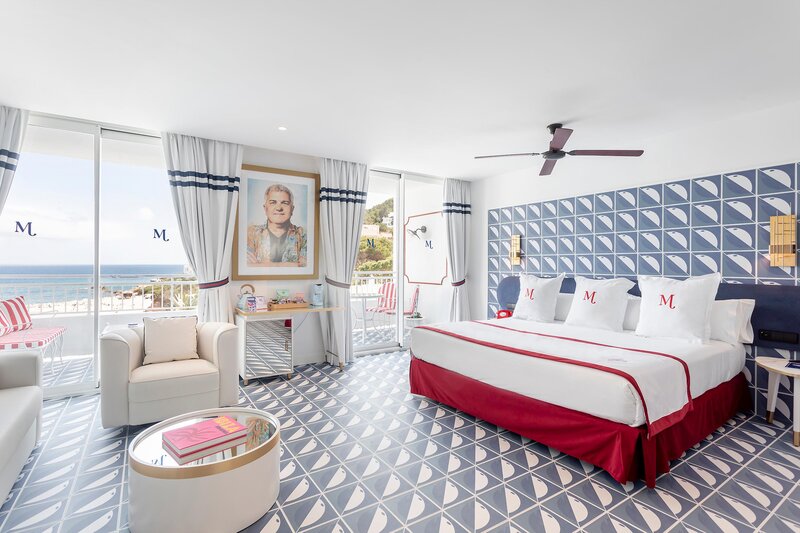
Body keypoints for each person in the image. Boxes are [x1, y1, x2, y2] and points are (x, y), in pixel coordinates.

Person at [247, 183, 307, 266]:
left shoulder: (303, 235)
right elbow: (247, 266)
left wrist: (259, 265)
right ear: (265, 208)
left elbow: (304, 266)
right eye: (273, 202)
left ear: (292, 209)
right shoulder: (251, 233)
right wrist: (292, 265)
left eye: (285, 203)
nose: (279, 208)